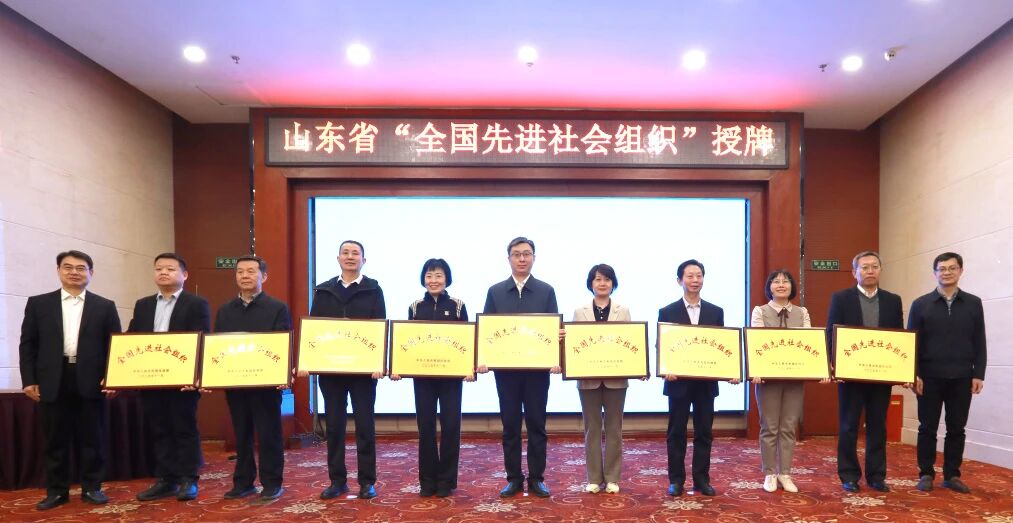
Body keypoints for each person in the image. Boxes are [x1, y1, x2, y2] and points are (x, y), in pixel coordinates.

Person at [19, 250, 122, 510]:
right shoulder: (39, 304)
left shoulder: (105, 306)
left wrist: (113, 378)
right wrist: (28, 379)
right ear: (58, 271)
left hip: (91, 379)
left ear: (91, 273)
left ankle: (92, 488)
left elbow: (115, 346)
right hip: (52, 377)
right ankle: (57, 491)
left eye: (81, 268)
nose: (74, 272)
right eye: (68, 267)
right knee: (54, 439)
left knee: (93, 437)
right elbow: (28, 344)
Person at [480, 236, 560, 498]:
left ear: (534, 258)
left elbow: (553, 331)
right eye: (517, 254)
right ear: (509, 259)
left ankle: (537, 479)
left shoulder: (546, 291)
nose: (522, 259)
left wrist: (556, 355)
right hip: (506, 373)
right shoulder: (495, 292)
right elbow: (487, 332)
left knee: (537, 425)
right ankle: (513, 478)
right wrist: (484, 359)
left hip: (537, 372)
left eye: (527, 254)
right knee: (510, 427)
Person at [131, 252, 211, 502]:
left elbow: (202, 340)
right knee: (159, 429)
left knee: (183, 428)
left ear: (184, 275)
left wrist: (196, 376)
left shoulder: (196, 304)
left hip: (182, 381)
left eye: (170, 269)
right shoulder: (143, 305)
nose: (163, 272)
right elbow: (131, 339)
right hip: (150, 378)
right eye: (159, 269)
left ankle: (188, 479)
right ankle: (167, 479)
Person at [308, 240, 385, 500]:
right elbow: (314, 331)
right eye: (346, 253)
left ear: (364, 260)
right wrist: (310, 360)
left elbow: (379, 327)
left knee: (365, 426)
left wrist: (378, 363)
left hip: (363, 372)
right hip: (331, 371)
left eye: (355, 253)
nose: (350, 257)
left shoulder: (373, 289)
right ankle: (337, 481)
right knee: (334, 427)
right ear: (338, 258)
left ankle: (367, 481)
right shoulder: (324, 290)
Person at [390, 258, 472, 498]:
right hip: (423, 377)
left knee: (451, 427)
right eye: (429, 275)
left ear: (447, 278)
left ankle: (446, 480)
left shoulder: (458, 306)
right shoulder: (415, 307)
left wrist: (469, 368)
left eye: (438, 275)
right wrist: (399, 366)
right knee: (425, 427)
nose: (433, 280)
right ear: (423, 279)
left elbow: (466, 340)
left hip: (451, 378)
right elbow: (407, 342)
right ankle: (427, 481)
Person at [213, 255, 292, 501]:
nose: (245, 276)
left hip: (266, 384)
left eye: (250, 271)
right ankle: (243, 482)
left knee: (269, 434)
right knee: (241, 433)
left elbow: (282, 344)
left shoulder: (277, 308)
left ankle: (272, 483)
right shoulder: (225, 310)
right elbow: (218, 347)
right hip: (235, 382)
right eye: (240, 272)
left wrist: (282, 374)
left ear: (263, 277)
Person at [826, 250, 904, 493]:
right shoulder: (841, 298)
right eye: (864, 267)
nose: (870, 271)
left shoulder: (893, 300)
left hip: (881, 374)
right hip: (850, 374)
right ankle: (849, 475)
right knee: (848, 425)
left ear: (880, 270)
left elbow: (899, 337)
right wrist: (832, 362)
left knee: (878, 426)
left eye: (874, 266)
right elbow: (831, 331)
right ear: (854, 272)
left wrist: (901, 369)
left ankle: (876, 475)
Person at [909, 252, 987, 494]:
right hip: (928, 377)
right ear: (935, 273)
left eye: (952, 268)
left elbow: (979, 340)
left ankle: (952, 474)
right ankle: (926, 473)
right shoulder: (921, 304)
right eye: (942, 269)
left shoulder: (973, 303)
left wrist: (979, 373)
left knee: (957, 428)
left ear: (961, 271)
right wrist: (914, 374)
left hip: (962, 377)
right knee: (927, 428)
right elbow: (912, 343)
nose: (947, 272)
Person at [659, 259, 736, 497]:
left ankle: (702, 480)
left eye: (699, 275)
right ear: (679, 280)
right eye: (690, 276)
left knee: (704, 432)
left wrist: (730, 371)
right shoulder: (667, 311)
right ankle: (676, 481)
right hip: (678, 382)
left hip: (706, 383)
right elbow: (663, 346)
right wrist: (665, 368)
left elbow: (722, 348)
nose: (695, 280)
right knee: (676, 433)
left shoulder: (716, 311)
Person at [749, 269, 815, 493]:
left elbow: (809, 344)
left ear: (791, 287)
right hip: (768, 379)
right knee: (769, 427)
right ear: (769, 287)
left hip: (794, 377)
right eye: (775, 281)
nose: (780, 285)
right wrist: (756, 369)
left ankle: (785, 473)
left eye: (785, 281)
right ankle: (769, 473)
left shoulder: (802, 312)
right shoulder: (760, 311)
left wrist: (817, 368)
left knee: (788, 427)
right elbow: (757, 343)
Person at [572, 264, 632, 495]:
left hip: (616, 379)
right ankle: (594, 478)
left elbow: (630, 343)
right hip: (588, 379)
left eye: (607, 279)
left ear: (613, 283)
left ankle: (613, 477)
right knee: (592, 430)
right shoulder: (580, 312)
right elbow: (575, 345)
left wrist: (638, 366)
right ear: (591, 283)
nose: (602, 283)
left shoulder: (623, 311)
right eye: (597, 279)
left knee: (615, 429)